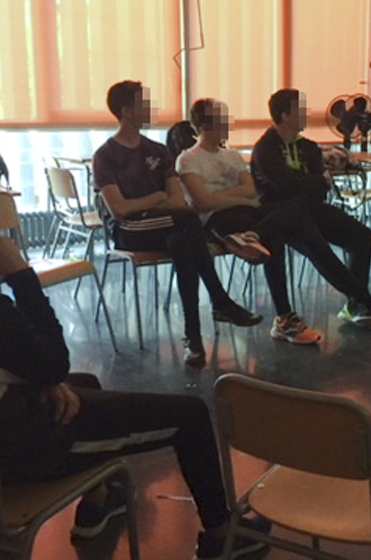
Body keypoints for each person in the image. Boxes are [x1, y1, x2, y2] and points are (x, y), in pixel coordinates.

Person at [0, 137, 271, 560]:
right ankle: (221, 534)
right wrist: (21, 275)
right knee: (190, 415)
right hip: (11, 455)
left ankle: (99, 501)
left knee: (80, 387)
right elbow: (52, 361)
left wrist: (48, 380)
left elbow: (30, 371)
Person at [93, 81, 261, 367]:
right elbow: (120, 210)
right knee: (187, 221)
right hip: (130, 232)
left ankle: (193, 340)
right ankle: (219, 299)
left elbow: (178, 201)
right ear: (127, 111)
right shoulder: (106, 156)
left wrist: (153, 202)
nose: (151, 107)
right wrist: (157, 197)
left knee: (183, 243)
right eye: (144, 103)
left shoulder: (158, 150)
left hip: (167, 225)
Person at [251, 89, 371, 328]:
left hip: (312, 207)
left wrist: (309, 183)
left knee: (361, 235)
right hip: (282, 215)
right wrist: (311, 183)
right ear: (286, 115)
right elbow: (286, 186)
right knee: (319, 247)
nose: (307, 114)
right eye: (301, 109)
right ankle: (365, 301)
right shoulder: (265, 149)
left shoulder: (308, 147)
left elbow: (321, 188)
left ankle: (356, 305)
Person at [175, 99, 321, 345]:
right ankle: (285, 318)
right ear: (204, 124)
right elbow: (203, 203)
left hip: (246, 214)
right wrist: (235, 197)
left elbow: (251, 190)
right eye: (221, 119)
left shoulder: (232, 155)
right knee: (273, 237)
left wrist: (221, 197)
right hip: (216, 220)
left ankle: (251, 236)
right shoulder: (188, 159)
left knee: (295, 208)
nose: (227, 124)